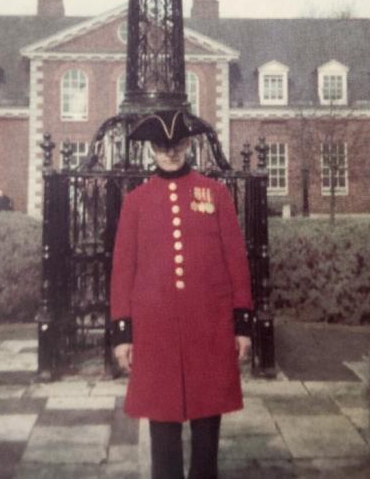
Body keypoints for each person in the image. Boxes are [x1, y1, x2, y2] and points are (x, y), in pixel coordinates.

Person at [110, 109, 253, 479]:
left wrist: (242, 324)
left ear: (188, 144)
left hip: (208, 329)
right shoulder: (136, 202)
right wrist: (123, 333)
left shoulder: (216, 194)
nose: (169, 152)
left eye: (176, 145)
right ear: (151, 149)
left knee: (207, 429)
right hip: (156, 332)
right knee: (162, 430)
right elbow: (124, 269)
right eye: (161, 145)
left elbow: (236, 260)